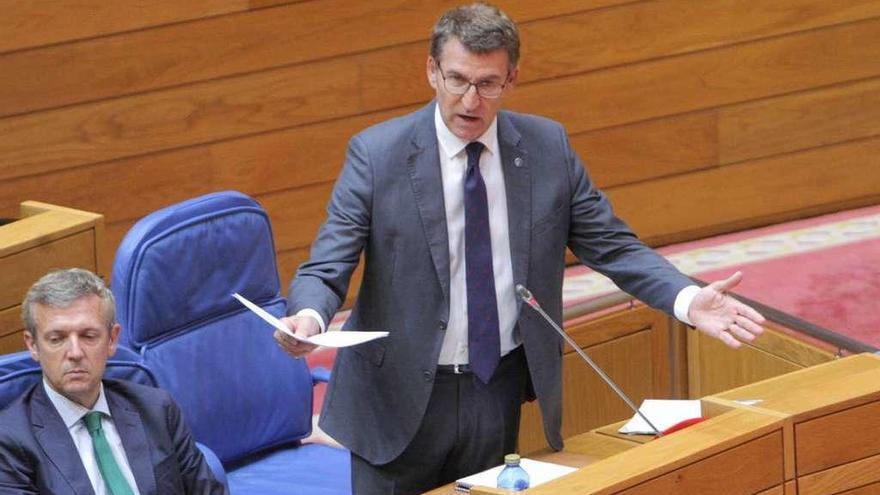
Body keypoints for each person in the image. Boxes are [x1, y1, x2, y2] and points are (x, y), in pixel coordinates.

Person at [275, 3, 765, 494]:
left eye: (487, 84)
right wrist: (311, 319)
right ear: (431, 71)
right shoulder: (378, 154)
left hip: (496, 388)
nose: (470, 101)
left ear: (511, 81)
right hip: (398, 398)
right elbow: (328, 262)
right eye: (457, 80)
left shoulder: (546, 147)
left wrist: (685, 298)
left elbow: (612, 245)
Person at [0, 268, 227, 495]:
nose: (75, 352)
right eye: (57, 339)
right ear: (33, 345)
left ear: (112, 339)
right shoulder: (10, 441)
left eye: (89, 336)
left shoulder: (156, 409)